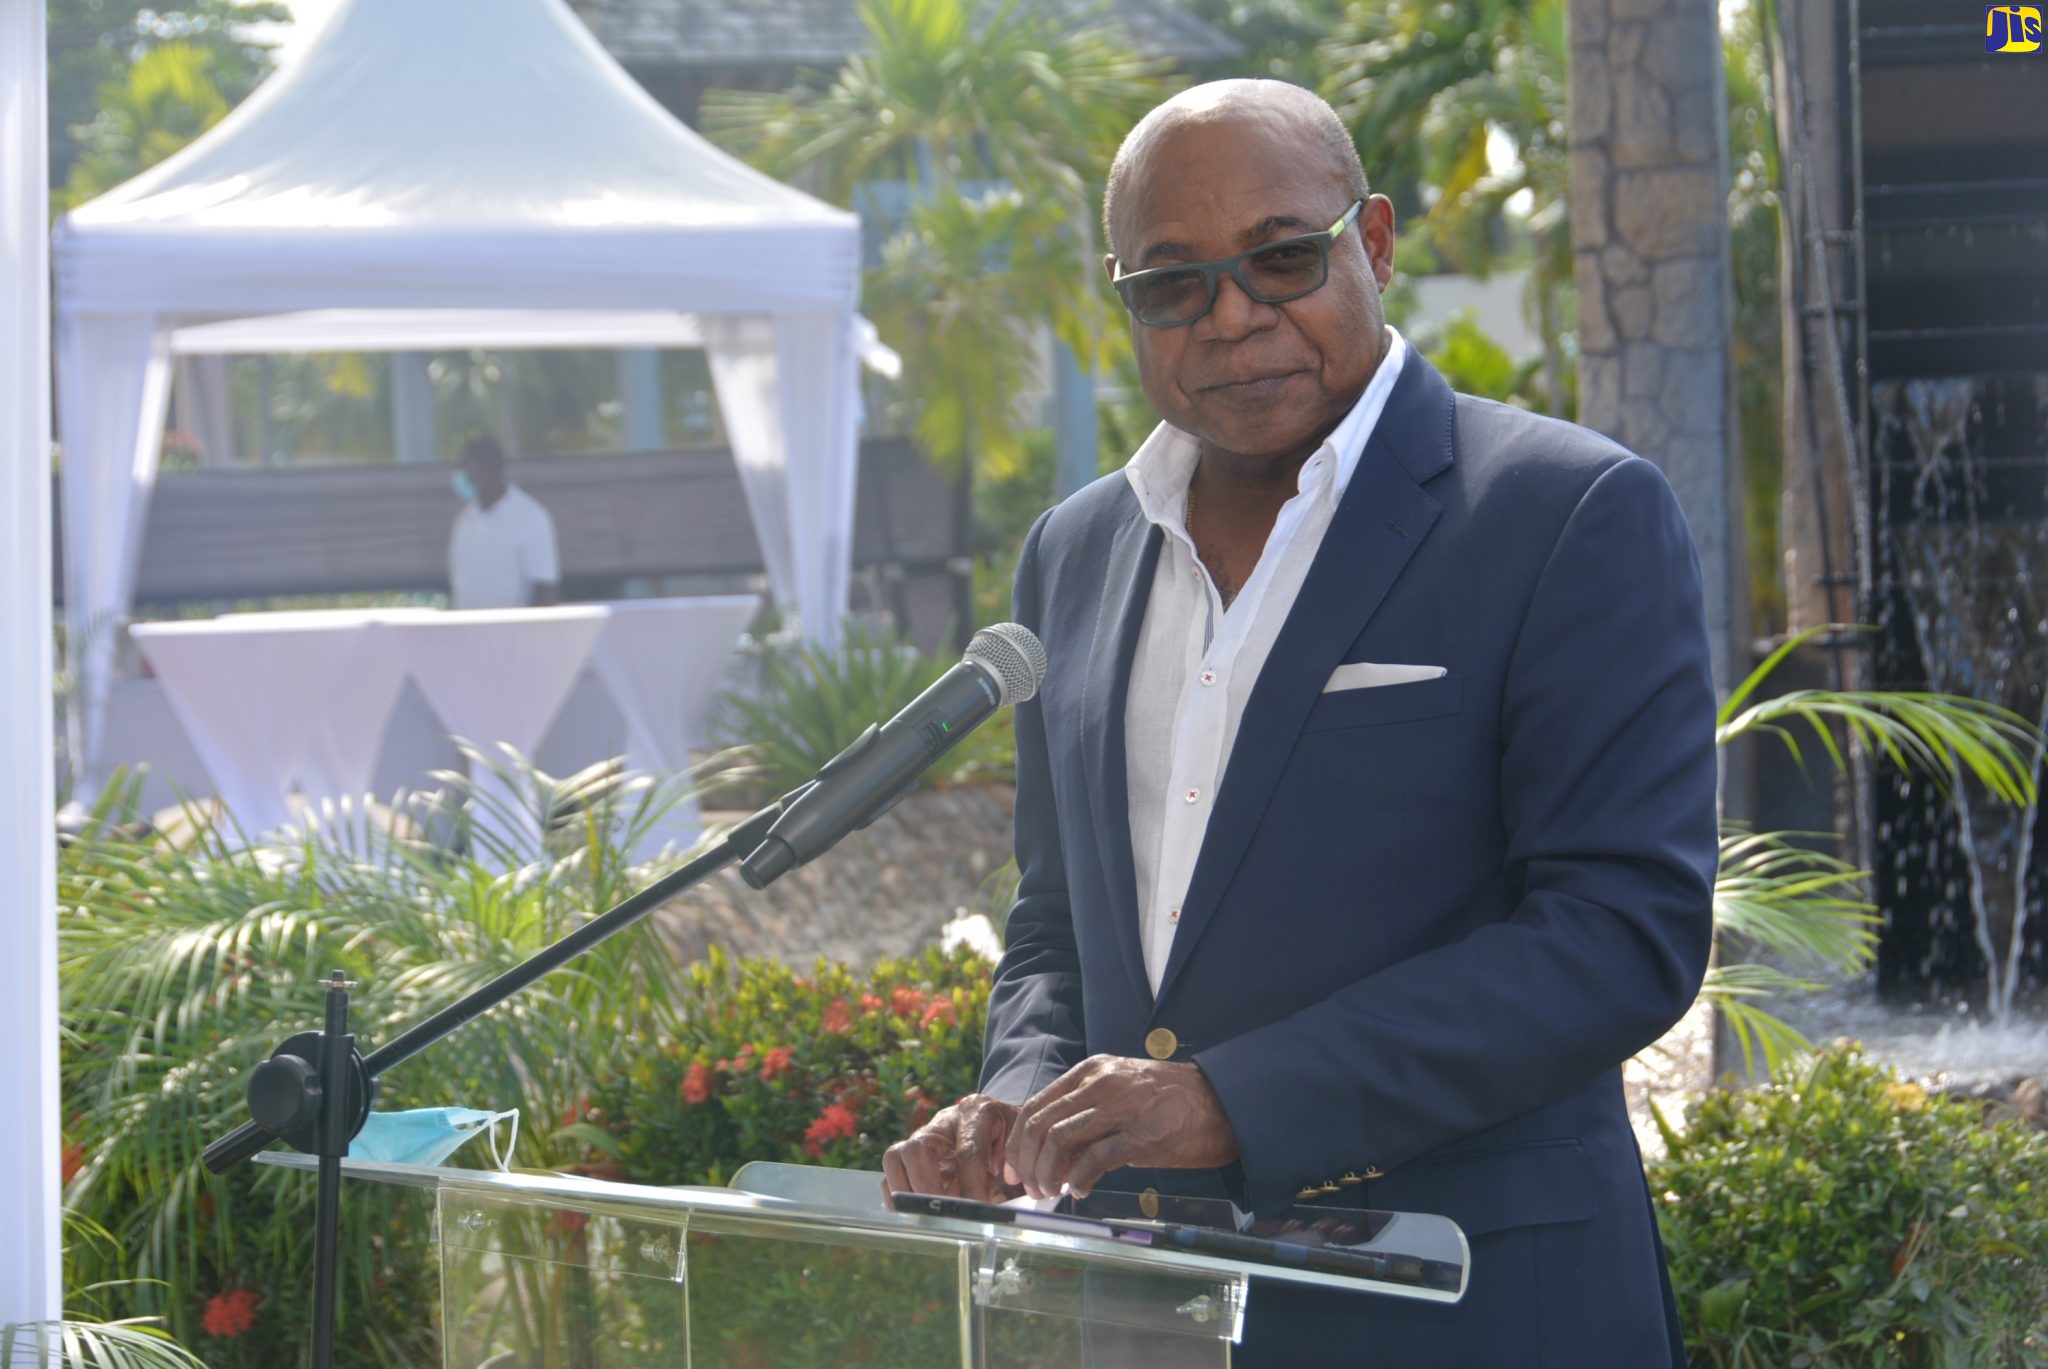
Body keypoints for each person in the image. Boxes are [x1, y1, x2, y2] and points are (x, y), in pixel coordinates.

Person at [882, 80, 1718, 1366]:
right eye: (1172, 284)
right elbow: (1058, 924)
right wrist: (1016, 1105)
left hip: (1470, 1305)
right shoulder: (1074, 552)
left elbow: (1617, 934)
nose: (1230, 316)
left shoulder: (1564, 514)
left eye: (1281, 258)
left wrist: (1230, 1101)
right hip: (1145, 1310)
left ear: (1371, 243)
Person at [447, 434, 560, 609]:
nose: (463, 476)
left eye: (467, 466)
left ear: (488, 469)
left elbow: (544, 589)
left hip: (513, 634)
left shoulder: (530, 517)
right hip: (468, 633)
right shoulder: (464, 520)